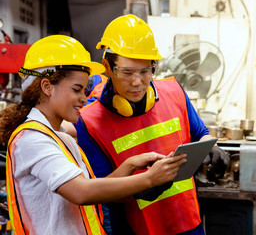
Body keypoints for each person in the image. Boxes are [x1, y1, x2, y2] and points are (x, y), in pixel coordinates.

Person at [0, 34, 186, 235]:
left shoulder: (60, 137)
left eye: (85, 89)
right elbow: (81, 192)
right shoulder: (31, 139)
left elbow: (92, 190)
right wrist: (149, 178)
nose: (84, 98)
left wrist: (131, 165)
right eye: (77, 89)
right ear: (47, 87)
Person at [76, 14, 230, 235]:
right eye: (126, 72)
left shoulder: (174, 92)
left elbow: (200, 133)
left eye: (145, 71)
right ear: (107, 68)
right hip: (135, 228)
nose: (137, 82)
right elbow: (100, 189)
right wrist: (139, 188)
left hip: (188, 222)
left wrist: (212, 147)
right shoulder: (89, 122)